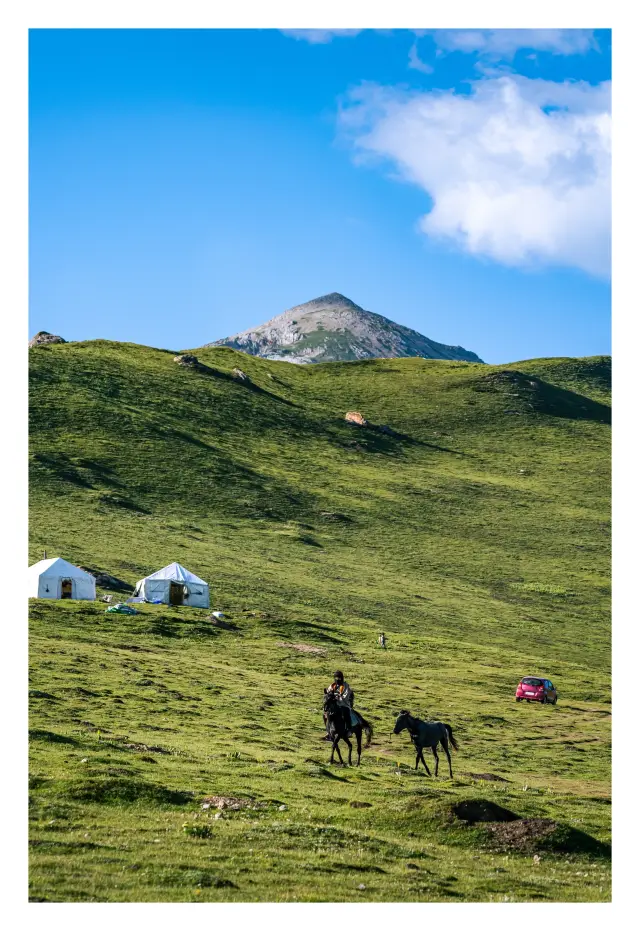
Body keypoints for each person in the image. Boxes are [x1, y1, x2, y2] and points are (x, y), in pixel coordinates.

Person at [323, 670, 360, 739]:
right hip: (334, 704)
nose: (337, 680)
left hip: (343, 704)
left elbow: (345, 696)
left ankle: (349, 730)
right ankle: (328, 731)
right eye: (336, 678)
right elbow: (328, 693)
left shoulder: (345, 686)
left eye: (339, 678)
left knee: (346, 713)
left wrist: (337, 696)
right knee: (325, 714)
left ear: (341, 678)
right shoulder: (332, 685)